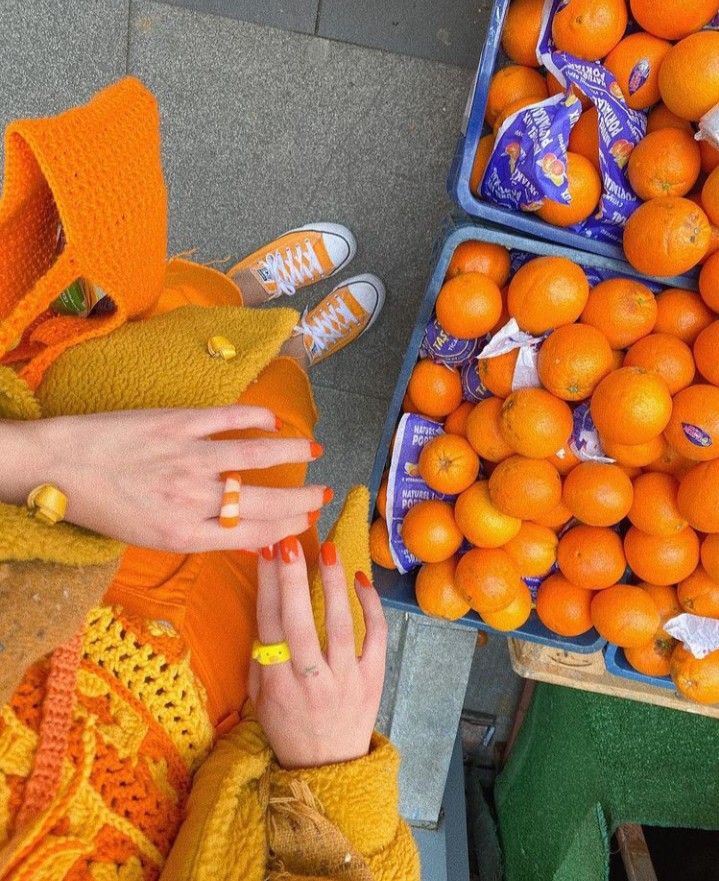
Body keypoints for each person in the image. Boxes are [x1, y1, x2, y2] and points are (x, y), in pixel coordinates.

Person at [0, 77, 420, 879]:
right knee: (272, 446)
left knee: (181, 353)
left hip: (45, 518)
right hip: (212, 716)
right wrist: (328, 783)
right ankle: (291, 351)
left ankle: (249, 294)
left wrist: (38, 464)